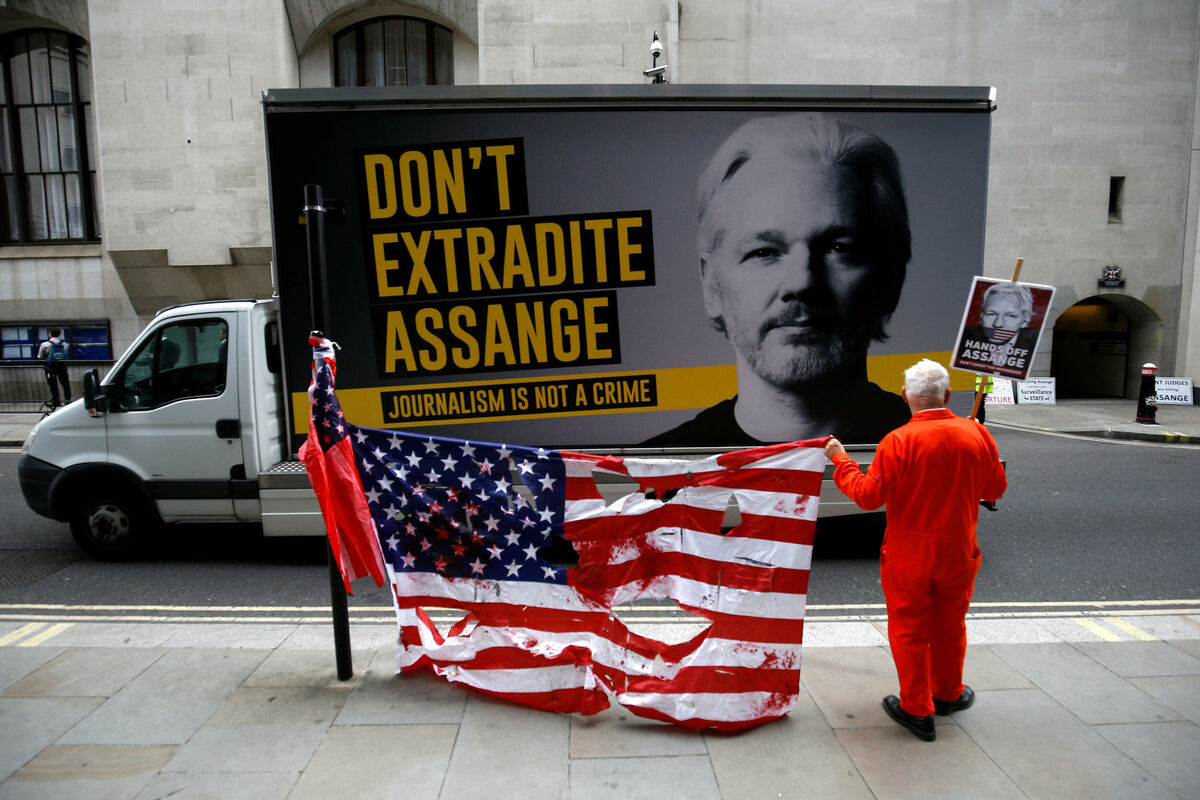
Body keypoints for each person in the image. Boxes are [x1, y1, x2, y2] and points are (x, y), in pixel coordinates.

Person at [645, 114, 912, 446]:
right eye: (763, 252)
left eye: (838, 249)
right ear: (711, 284)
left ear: (891, 279)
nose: (802, 283)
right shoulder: (656, 468)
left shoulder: (948, 458)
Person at [824, 358, 1007, 742]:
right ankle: (948, 694)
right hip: (959, 550)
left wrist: (841, 460)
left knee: (909, 631)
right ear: (948, 395)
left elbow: (868, 496)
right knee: (950, 626)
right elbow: (995, 490)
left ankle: (917, 708)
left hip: (909, 553)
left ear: (905, 396)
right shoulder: (976, 434)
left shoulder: (898, 441)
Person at [954, 282, 1039, 375]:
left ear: (1025, 321)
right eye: (991, 314)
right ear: (981, 317)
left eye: (1010, 315)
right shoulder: (963, 338)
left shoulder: (1035, 341)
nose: (998, 324)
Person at [37, 328, 71, 408]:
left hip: (50, 366)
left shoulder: (45, 344)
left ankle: (56, 401)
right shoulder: (64, 344)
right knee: (65, 383)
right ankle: (67, 400)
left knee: (52, 384)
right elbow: (65, 353)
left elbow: (40, 356)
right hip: (62, 365)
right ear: (59, 334)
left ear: (50, 334)